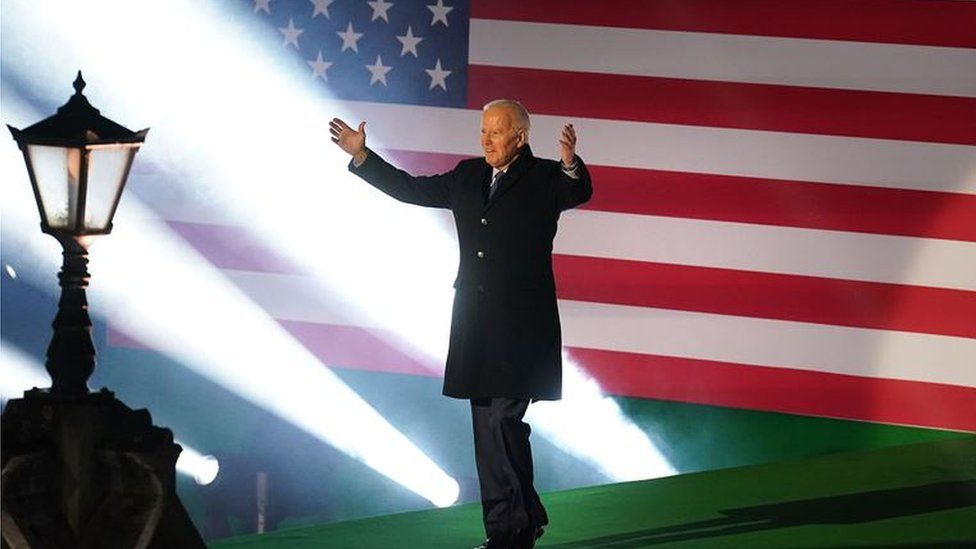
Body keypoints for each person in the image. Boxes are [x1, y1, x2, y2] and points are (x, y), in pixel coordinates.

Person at [329, 99, 592, 549]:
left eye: (495, 131)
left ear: (520, 137)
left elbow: (576, 192)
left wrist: (570, 164)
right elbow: (409, 189)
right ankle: (508, 526)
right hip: (475, 322)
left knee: (504, 423)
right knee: (486, 429)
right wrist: (362, 156)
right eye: (483, 130)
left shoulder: (546, 177)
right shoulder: (468, 175)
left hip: (521, 326)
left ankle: (518, 526)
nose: (485, 139)